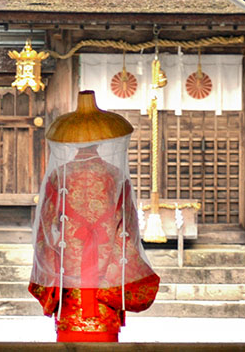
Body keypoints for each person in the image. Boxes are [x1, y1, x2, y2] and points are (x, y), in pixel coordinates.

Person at [29, 91, 160, 342]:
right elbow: (129, 228)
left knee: (70, 334)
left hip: (69, 266)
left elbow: (45, 228)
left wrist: (53, 259)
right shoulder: (115, 175)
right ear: (100, 143)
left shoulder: (59, 176)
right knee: (104, 336)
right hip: (107, 267)